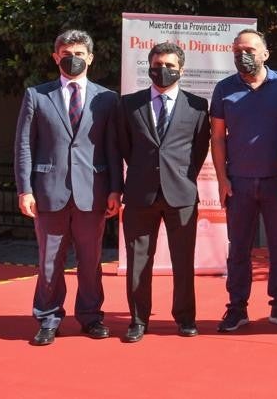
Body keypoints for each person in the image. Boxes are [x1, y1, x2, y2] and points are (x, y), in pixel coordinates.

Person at [14, 30, 121, 346]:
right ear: (55, 56)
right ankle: (47, 318)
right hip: (48, 192)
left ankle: (91, 317)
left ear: (90, 57)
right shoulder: (37, 95)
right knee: (49, 262)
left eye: (78, 53)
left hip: (93, 193)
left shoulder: (107, 99)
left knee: (91, 261)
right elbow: (23, 145)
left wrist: (116, 189)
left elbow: (113, 147)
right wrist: (24, 189)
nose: (72, 58)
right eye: (65, 52)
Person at [116, 42, 211, 342]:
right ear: (149, 67)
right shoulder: (129, 104)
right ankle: (138, 320)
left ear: (182, 69)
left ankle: (185, 318)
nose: (163, 71)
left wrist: (180, 178)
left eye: (170, 66)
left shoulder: (197, 106)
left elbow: (199, 150)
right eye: (157, 65)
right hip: (140, 195)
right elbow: (126, 147)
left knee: (182, 261)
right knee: (138, 261)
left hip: (181, 195)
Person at [210, 29, 277, 332]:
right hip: (240, 183)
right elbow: (218, 138)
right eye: (237, 51)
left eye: (249, 50)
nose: (242, 56)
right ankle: (237, 309)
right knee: (238, 250)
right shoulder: (224, 89)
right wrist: (222, 180)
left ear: (265, 54)